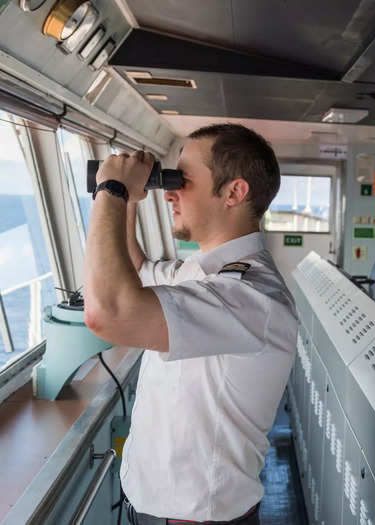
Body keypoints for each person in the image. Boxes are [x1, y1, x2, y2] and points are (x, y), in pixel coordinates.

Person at [84, 124, 298, 524]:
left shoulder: (250, 296)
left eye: (183, 181)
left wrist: (109, 192)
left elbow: (107, 313)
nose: (169, 193)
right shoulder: (200, 272)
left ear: (234, 192)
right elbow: (135, 271)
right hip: (155, 510)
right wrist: (130, 199)